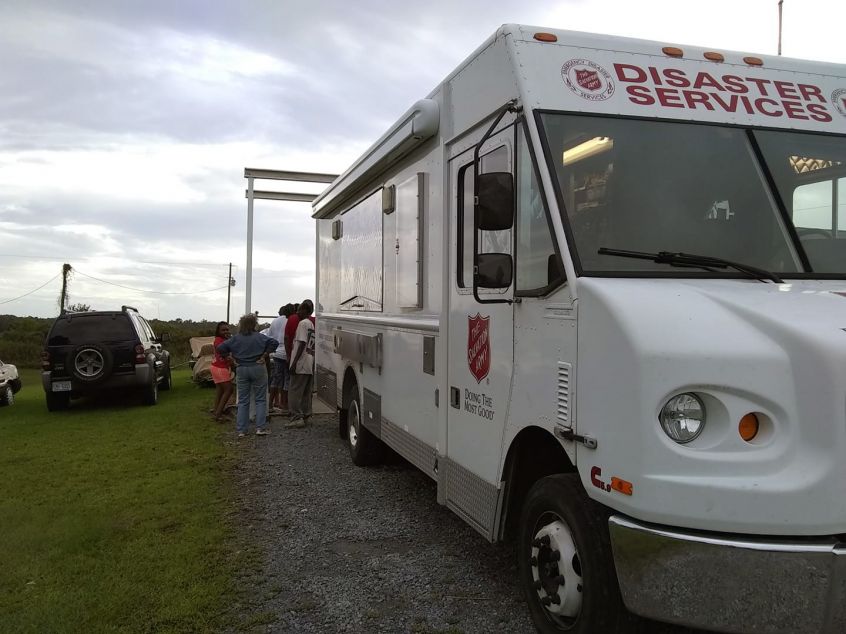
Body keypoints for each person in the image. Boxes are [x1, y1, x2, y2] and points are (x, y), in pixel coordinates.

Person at [216, 313, 278, 438]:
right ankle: (260, 428)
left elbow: (221, 348)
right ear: (254, 324)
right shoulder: (260, 337)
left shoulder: (235, 339)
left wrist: (230, 359)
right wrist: (264, 355)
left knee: (243, 400)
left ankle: (241, 430)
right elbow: (274, 343)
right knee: (260, 399)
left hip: (242, 368)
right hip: (258, 367)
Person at [285, 300, 315, 429]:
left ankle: (296, 417)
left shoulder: (303, 323)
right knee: (306, 392)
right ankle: (306, 415)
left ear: (306, 311)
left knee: (294, 391)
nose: (298, 312)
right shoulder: (311, 324)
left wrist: (294, 362)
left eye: (301, 309)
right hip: (309, 361)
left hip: (301, 362)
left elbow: (302, 343)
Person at [210, 321, 234, 422]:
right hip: (220, 368)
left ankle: (217, 410)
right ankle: (218, 414)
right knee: (229, 389)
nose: (225, 331)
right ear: (218, 331)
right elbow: (225, 354)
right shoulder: (219, 341)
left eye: (227, 329)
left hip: (216, 367)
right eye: (223, 330)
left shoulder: (223, 339)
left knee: (220, 391)